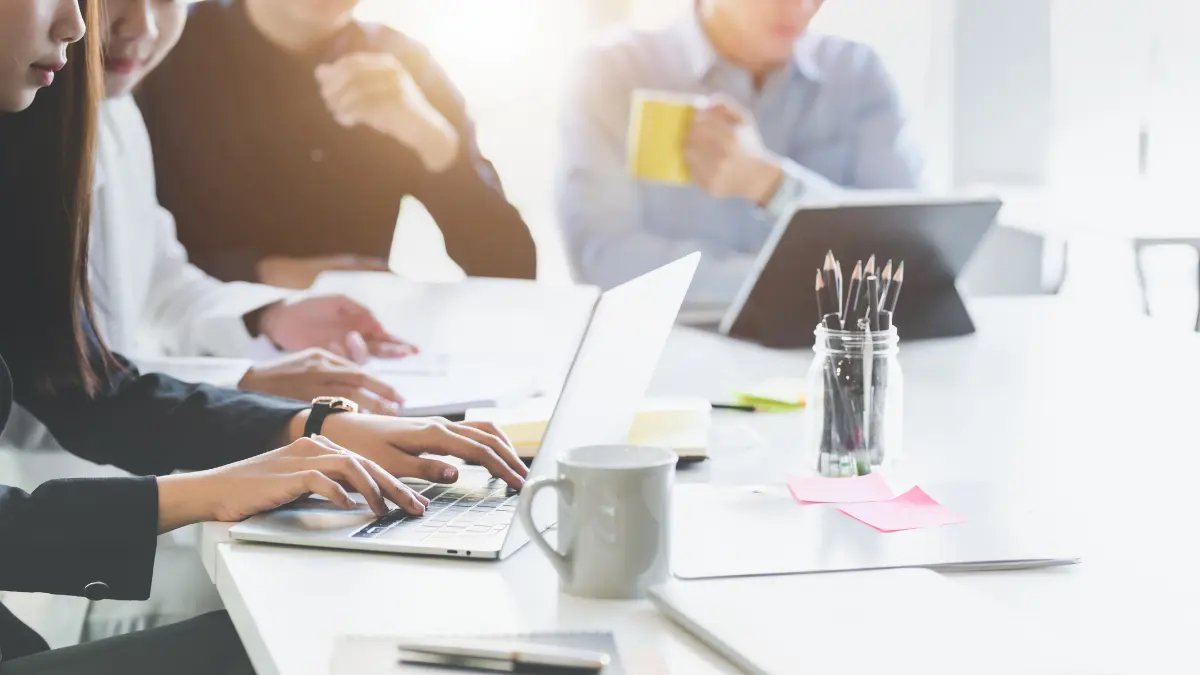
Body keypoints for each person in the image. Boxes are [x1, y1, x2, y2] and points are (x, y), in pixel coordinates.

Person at [0, 2, 527, 672]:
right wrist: (204, 488)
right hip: (70, 550)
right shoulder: (62, 110)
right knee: (325, 642)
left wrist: (309, 424)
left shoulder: (54, 119)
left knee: (364, 637)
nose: (82, 27)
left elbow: (83, 383)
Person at [134, 0, 537, 290]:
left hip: (363, 353)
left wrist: (431, 139)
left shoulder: (406, 65)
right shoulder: (159, 51)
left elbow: (512, 268)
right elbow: (118, 260)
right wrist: (264, 274)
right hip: (201, 350)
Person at [557, 0, 926, 309]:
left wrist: (771, 183)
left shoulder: (858, 75)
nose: (801, 6)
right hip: (670, 363)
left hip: (828, 358)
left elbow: (910, 251)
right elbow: (602, 260)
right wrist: (797, 283)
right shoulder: (615, 73)